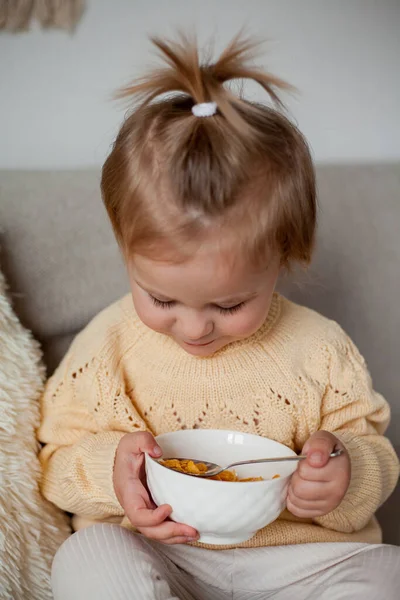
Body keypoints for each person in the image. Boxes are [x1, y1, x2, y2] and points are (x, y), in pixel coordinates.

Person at [39, 34, 400, 600]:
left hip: (297, 562)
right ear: (124, 251)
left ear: (285, 257)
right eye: (162, 300)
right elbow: (54, 459)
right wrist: (114, 473)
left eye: (228, 305)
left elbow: (375, 452)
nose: (194, 328)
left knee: (388, 571)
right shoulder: (108, 345)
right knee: (85, 557)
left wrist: (345, 473)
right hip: (163, 556)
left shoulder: (320, 348)